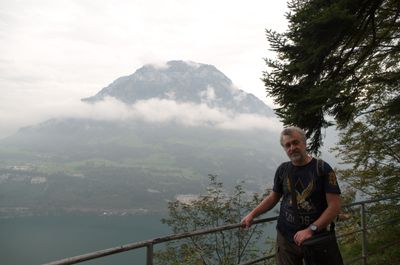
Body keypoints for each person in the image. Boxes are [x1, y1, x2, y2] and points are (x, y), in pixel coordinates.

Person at [241, 126, 341, 265]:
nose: (292, 148)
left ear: (304, 143)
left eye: (295, 142)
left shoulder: (322, 169)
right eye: (287, 145)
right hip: (286, 238)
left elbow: (334, 206)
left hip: (315, 237)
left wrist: (311, 229)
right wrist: (252, 214)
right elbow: (273, 197)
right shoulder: (283, 170)